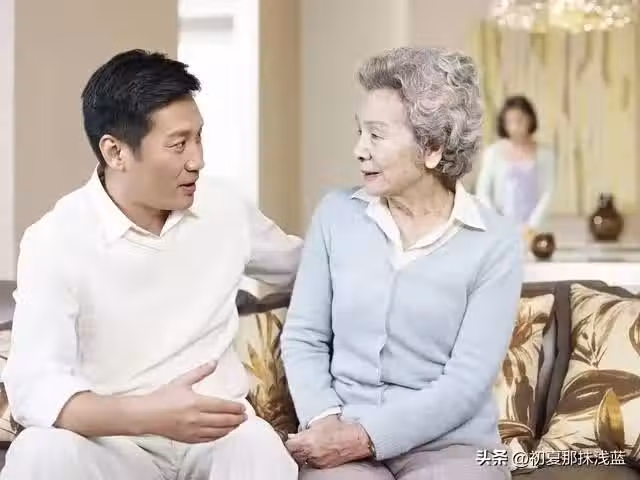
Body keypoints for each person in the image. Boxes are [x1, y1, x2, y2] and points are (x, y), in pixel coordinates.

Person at [0, 49, 300, 480]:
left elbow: (306, 267)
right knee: (40, 452)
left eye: (198, 138)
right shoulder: (55, 240)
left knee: (257, 444)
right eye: (178, 144)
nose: (197, 160)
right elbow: (34, 388)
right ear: (115, 152)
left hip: (217, 433)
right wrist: (147, 415)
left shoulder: (224, 208)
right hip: (112, 441)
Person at [281, 46, 523, 480]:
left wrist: (367, 436)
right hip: (340, 434)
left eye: (376, 135)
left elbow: (465, 383)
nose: (359, 150)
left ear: (432, 148)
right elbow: (304, 337)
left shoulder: (495, 242)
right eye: (359, 132)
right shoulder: (336, 215)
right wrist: (324, 421)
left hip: (452, 446)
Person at [475, 95, 555, 237]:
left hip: (535, 231)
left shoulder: (545, 155)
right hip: (499, 229)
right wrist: (497, 222)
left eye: (519, 120)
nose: (514, 127)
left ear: (530, 119)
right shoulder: (493, 153)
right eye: (509, 122)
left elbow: (548, 193)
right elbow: (482, 192)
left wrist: (531, 226)